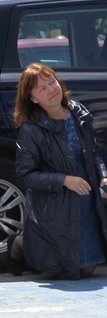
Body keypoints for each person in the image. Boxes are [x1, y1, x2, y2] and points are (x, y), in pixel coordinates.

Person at [11, 63, 107, 279]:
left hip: (86, 202)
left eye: (51, 82)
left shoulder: (78, 113)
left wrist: (103, 176)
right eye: (42, 89)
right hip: (55, 207)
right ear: (33, 99)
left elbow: (94, 153)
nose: (51, 90)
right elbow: (25, 175)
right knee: (63, 270)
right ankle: (20, 244)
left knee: (86, 269)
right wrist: (64, 180)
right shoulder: (31, 130)